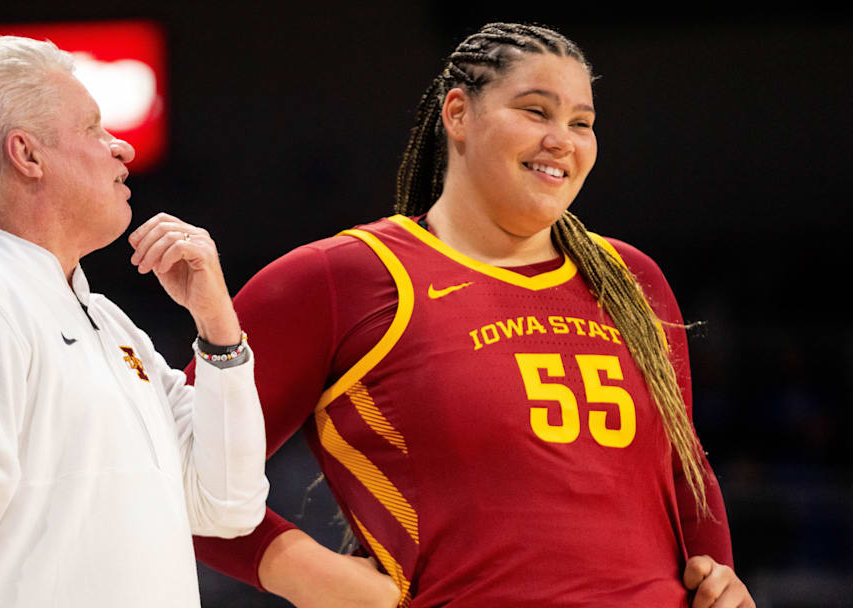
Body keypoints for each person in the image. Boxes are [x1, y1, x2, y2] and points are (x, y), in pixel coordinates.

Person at [190, 23, 755, 607]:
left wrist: (721, 579)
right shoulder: (342, 279)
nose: (563, 140)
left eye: (581, 122)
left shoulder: (631, 278)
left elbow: (687, 469)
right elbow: (180, 470)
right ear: (458, 113)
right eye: (537, 111)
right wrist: (311, 578)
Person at [0, 36, 269, 608]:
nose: (120, 147)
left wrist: (217, 326)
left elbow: (227, 502)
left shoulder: (108, 323)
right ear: (27, 155)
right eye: (94, 129)